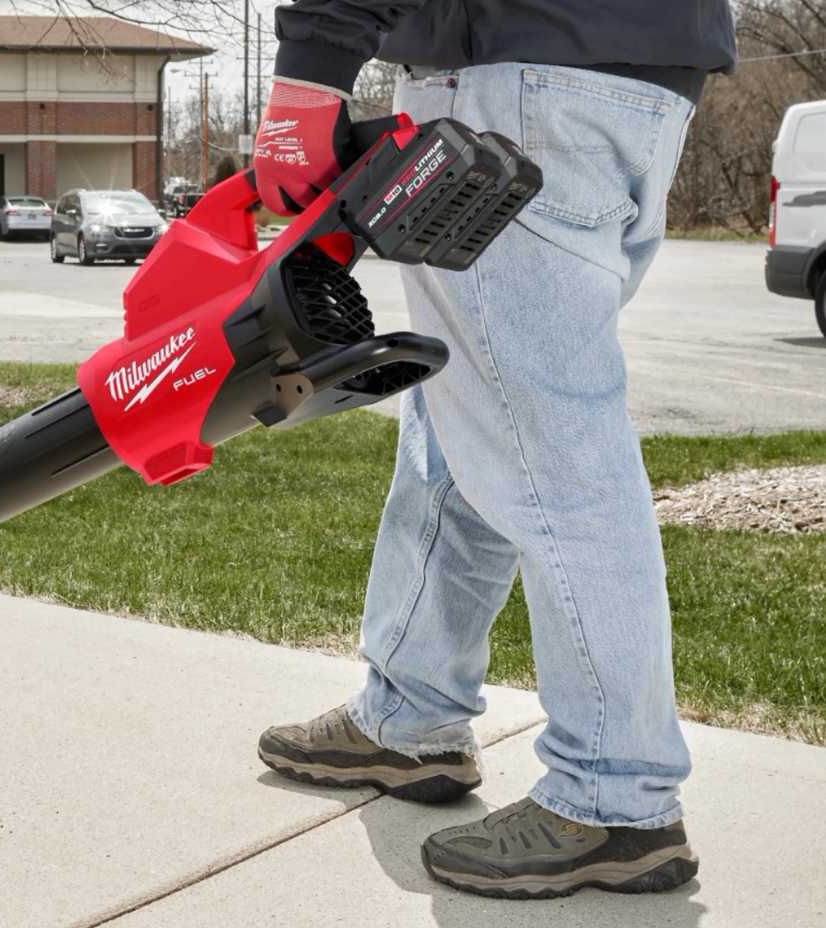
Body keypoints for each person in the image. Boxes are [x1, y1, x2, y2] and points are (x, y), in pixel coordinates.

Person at [250, 0, 736, 900]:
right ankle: (409, 716)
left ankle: (614, 794)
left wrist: (312, 68)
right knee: (471, 420)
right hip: (636, 81)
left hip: (514, 80)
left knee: (556, 455)